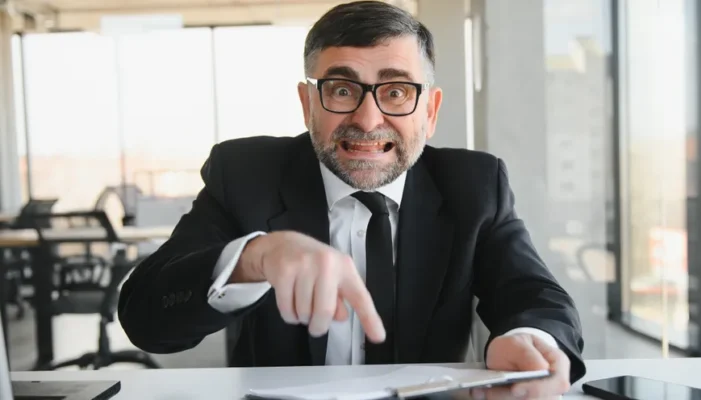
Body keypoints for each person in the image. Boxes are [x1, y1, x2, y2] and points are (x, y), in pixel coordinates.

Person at [118, 1, 585, 398]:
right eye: (341, 90)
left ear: (431, 110)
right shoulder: (245, 174)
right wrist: (252, 258)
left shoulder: (474, 184)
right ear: (307, 105)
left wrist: (530, 341)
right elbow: (145, 318)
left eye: (397, 91)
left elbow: (535, 295)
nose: (366, 119)